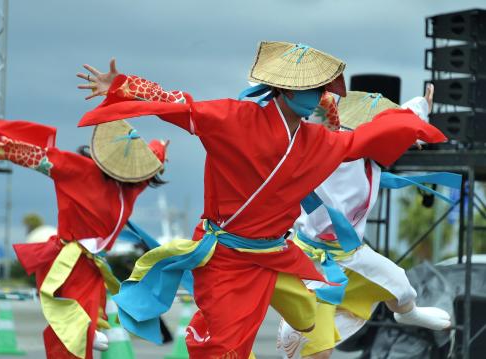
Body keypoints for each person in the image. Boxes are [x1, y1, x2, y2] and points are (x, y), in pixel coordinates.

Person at [76, 41, 447, 358]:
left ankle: (308, 325)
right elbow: (181, 105)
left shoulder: (317, 141)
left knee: (311, 315)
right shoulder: (233, 118)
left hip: (277, 254)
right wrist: (121, 85)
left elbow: (364, 137)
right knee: (225, 346)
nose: (318, 97)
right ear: (284, 89)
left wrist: (417, 113)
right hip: (227, 260)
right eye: (313, 89)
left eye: (322, 91)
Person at [277, 87, 457, 359]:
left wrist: (420, 109)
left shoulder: (370, 159)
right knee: (316, 350)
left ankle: (408, 314)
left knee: (399, 283)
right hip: (313, 261)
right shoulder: (330, 148)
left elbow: (398, 120)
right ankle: (299, 333)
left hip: (351, 254)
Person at [0, 119, 168, 359]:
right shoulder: (82, 169)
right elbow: (41, 157)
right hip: (68, 262)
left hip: (91, 266)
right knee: (70, 332)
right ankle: (86, 332)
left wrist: (160, 146)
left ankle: (87, 331)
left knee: (77, 326)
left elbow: (154, 159)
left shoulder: (132, 184)